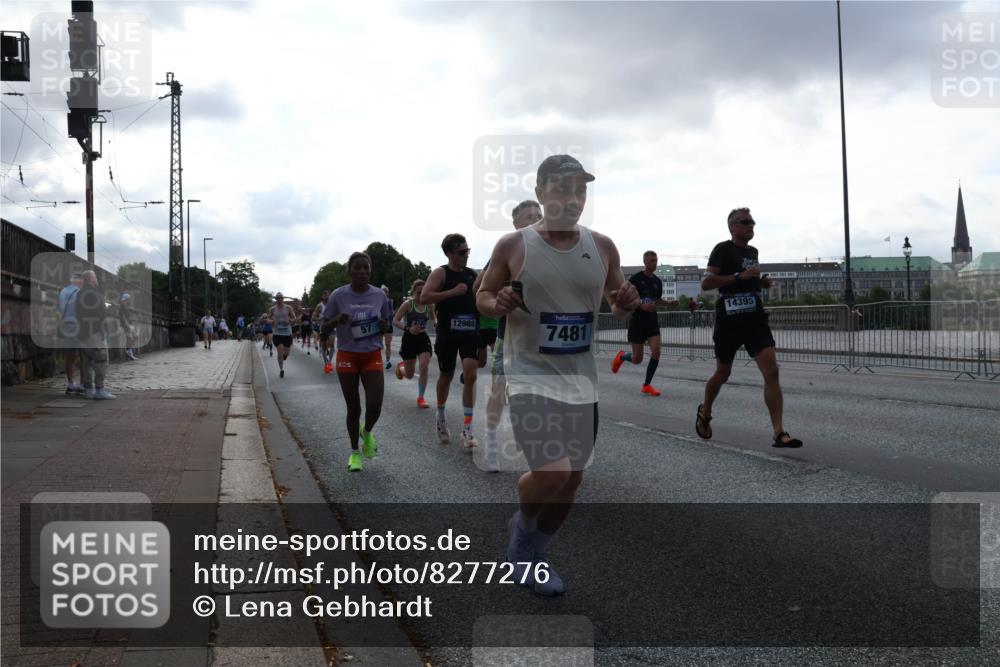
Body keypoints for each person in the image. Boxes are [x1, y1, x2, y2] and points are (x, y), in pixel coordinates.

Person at [477, 154, 639, 596]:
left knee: (573, 480)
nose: (572, 199)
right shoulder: (514, 246)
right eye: (562, 189)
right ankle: (523, 533)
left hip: (580, 380)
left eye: (580, 190)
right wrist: (498, 305)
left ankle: (532, 550)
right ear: (541, 191)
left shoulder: (602, 245)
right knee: (552, 473)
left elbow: (616, 300)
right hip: (529, 375)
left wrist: (625, 297)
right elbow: (485, 296)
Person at [695, 207, 803, 448]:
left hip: (754, 320)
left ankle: (779, 433)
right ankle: (706, 410)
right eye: (745, 222)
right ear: (732, 226)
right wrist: (739, 277)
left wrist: (760, 282)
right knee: (723, 374)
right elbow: (707, 283)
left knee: (772, 371)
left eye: (753, 222)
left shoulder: (753, 251)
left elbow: (748, 279)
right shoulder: (722, 249)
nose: (750, 225)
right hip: (729, 322)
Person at [476, 200, 542, 472]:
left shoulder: (556, 251)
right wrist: (499, 301)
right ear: (516, 224)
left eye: (539, 215)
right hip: (511, 335)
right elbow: (480, 291)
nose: (535, 220)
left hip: (546, 340)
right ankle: (491, 446)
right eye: (529, 217)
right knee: (499, 389)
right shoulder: (509, 250)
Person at [322, 252, 392, 472]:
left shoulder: (379, 295)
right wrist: (336, 320)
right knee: (354, 408)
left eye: (366, 268)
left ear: (370, 270)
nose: (362, 272)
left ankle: (367, 431)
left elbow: (387, 324)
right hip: (348, 355)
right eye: (357, 268)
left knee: (375, 404)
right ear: (349, 270)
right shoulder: (338, 295)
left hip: (371, 354)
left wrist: (383, 326)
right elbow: (323, 328)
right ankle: (354, 453)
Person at [417, 233, 481, 448]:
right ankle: (441, 417)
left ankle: (468, 428)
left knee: (471, 373)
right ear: (449, 254)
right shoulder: (440, 273)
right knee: (446, 375)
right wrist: (452, 292)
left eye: (467, 251)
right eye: (462, 252)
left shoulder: (472, 274)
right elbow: (424, 298)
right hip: (447, 333)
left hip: (470, 331)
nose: (466, 256)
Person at [611, 250, 676, 396]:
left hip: (652, 321)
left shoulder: (657, 281)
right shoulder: (635, 279)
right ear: (645, 262)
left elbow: (657, 300)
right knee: (637, 359)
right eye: (652, 260)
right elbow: (626, 298)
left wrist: (670, 303)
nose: (654, 263)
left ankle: (647, 385)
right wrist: (641, 305)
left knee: (656, 352)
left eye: (656, 260)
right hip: (638, 322)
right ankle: (621, 356)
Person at [392, 279, 436, 408]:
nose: (421, 295)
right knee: (410, 375)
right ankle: (401, 369)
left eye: (424, 292)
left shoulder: (429, 305)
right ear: (413, 293)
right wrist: (408, 328)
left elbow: (433, 318)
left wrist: (436, 323)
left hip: (422, 337)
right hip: (409, 338)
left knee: (424, 365)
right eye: (418, 292)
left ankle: (421, 397)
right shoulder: (407, 304)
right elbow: (395, 320)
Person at [75, 270, 116, 400]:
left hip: (82, 333)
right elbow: (101, 313)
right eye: (95, 277)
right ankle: (99, 389)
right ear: (91, 279)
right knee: (101, 361)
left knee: (86, 363)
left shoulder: (79, 294)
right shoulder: (96, 294)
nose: (97, 279)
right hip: (95, 333)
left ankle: (88, 390)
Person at [58, 273, 85, 394]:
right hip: (79, 327)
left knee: (70, 357)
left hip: (67, 326)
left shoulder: (63, 291)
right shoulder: (80, 292)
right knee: (83, 357)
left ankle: (70, 384)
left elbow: (60, 309)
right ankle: (83, 384)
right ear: (79, 281)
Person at [269, 293, 295, 378]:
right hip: (277, 333)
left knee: (286, 353)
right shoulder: (273, 309)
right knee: (280, 350)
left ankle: (283, 357)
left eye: (280, 298)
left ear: (283, 299)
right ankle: (281, 370)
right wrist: (272, 321)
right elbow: (268, 318)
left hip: (287, 333)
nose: (279, 300)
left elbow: (294, 318)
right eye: (277, 298)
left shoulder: (288, 308)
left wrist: (289, 320)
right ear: (276, 299)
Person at [313, 290, 334, 373]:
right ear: (322, 297)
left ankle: (329, 362)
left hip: (332, 327)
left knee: (332, 343)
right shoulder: (319, 306)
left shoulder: (333, 305)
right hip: (323, 327)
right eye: (325, 295)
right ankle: (326, 363)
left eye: (328, 295)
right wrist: (320, 318)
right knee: (324, 347)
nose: (327, 297)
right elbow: (313, 317)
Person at [118, 293, 138, 360]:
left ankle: (128, 351)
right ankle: (128, 352)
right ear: (126, 299)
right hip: (126, 325)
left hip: (129, 324)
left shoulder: (126, 305)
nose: (130, 299)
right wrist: (127, 325)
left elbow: (128, 315)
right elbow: (122, 317)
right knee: (130, 337)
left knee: (134, 336)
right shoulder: (122, 306)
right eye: (129, 298)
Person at [381, 285, 396, 370]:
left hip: (388, 325)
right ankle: (378, 360)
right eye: (383, 291)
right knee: (378, 344)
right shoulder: (377, 301)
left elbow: (391, 313)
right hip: (379, 325)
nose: (384, 292)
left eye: (386, 291)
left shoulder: (390, 301)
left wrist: (394, 314)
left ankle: (387, 361)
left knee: (388, 344)